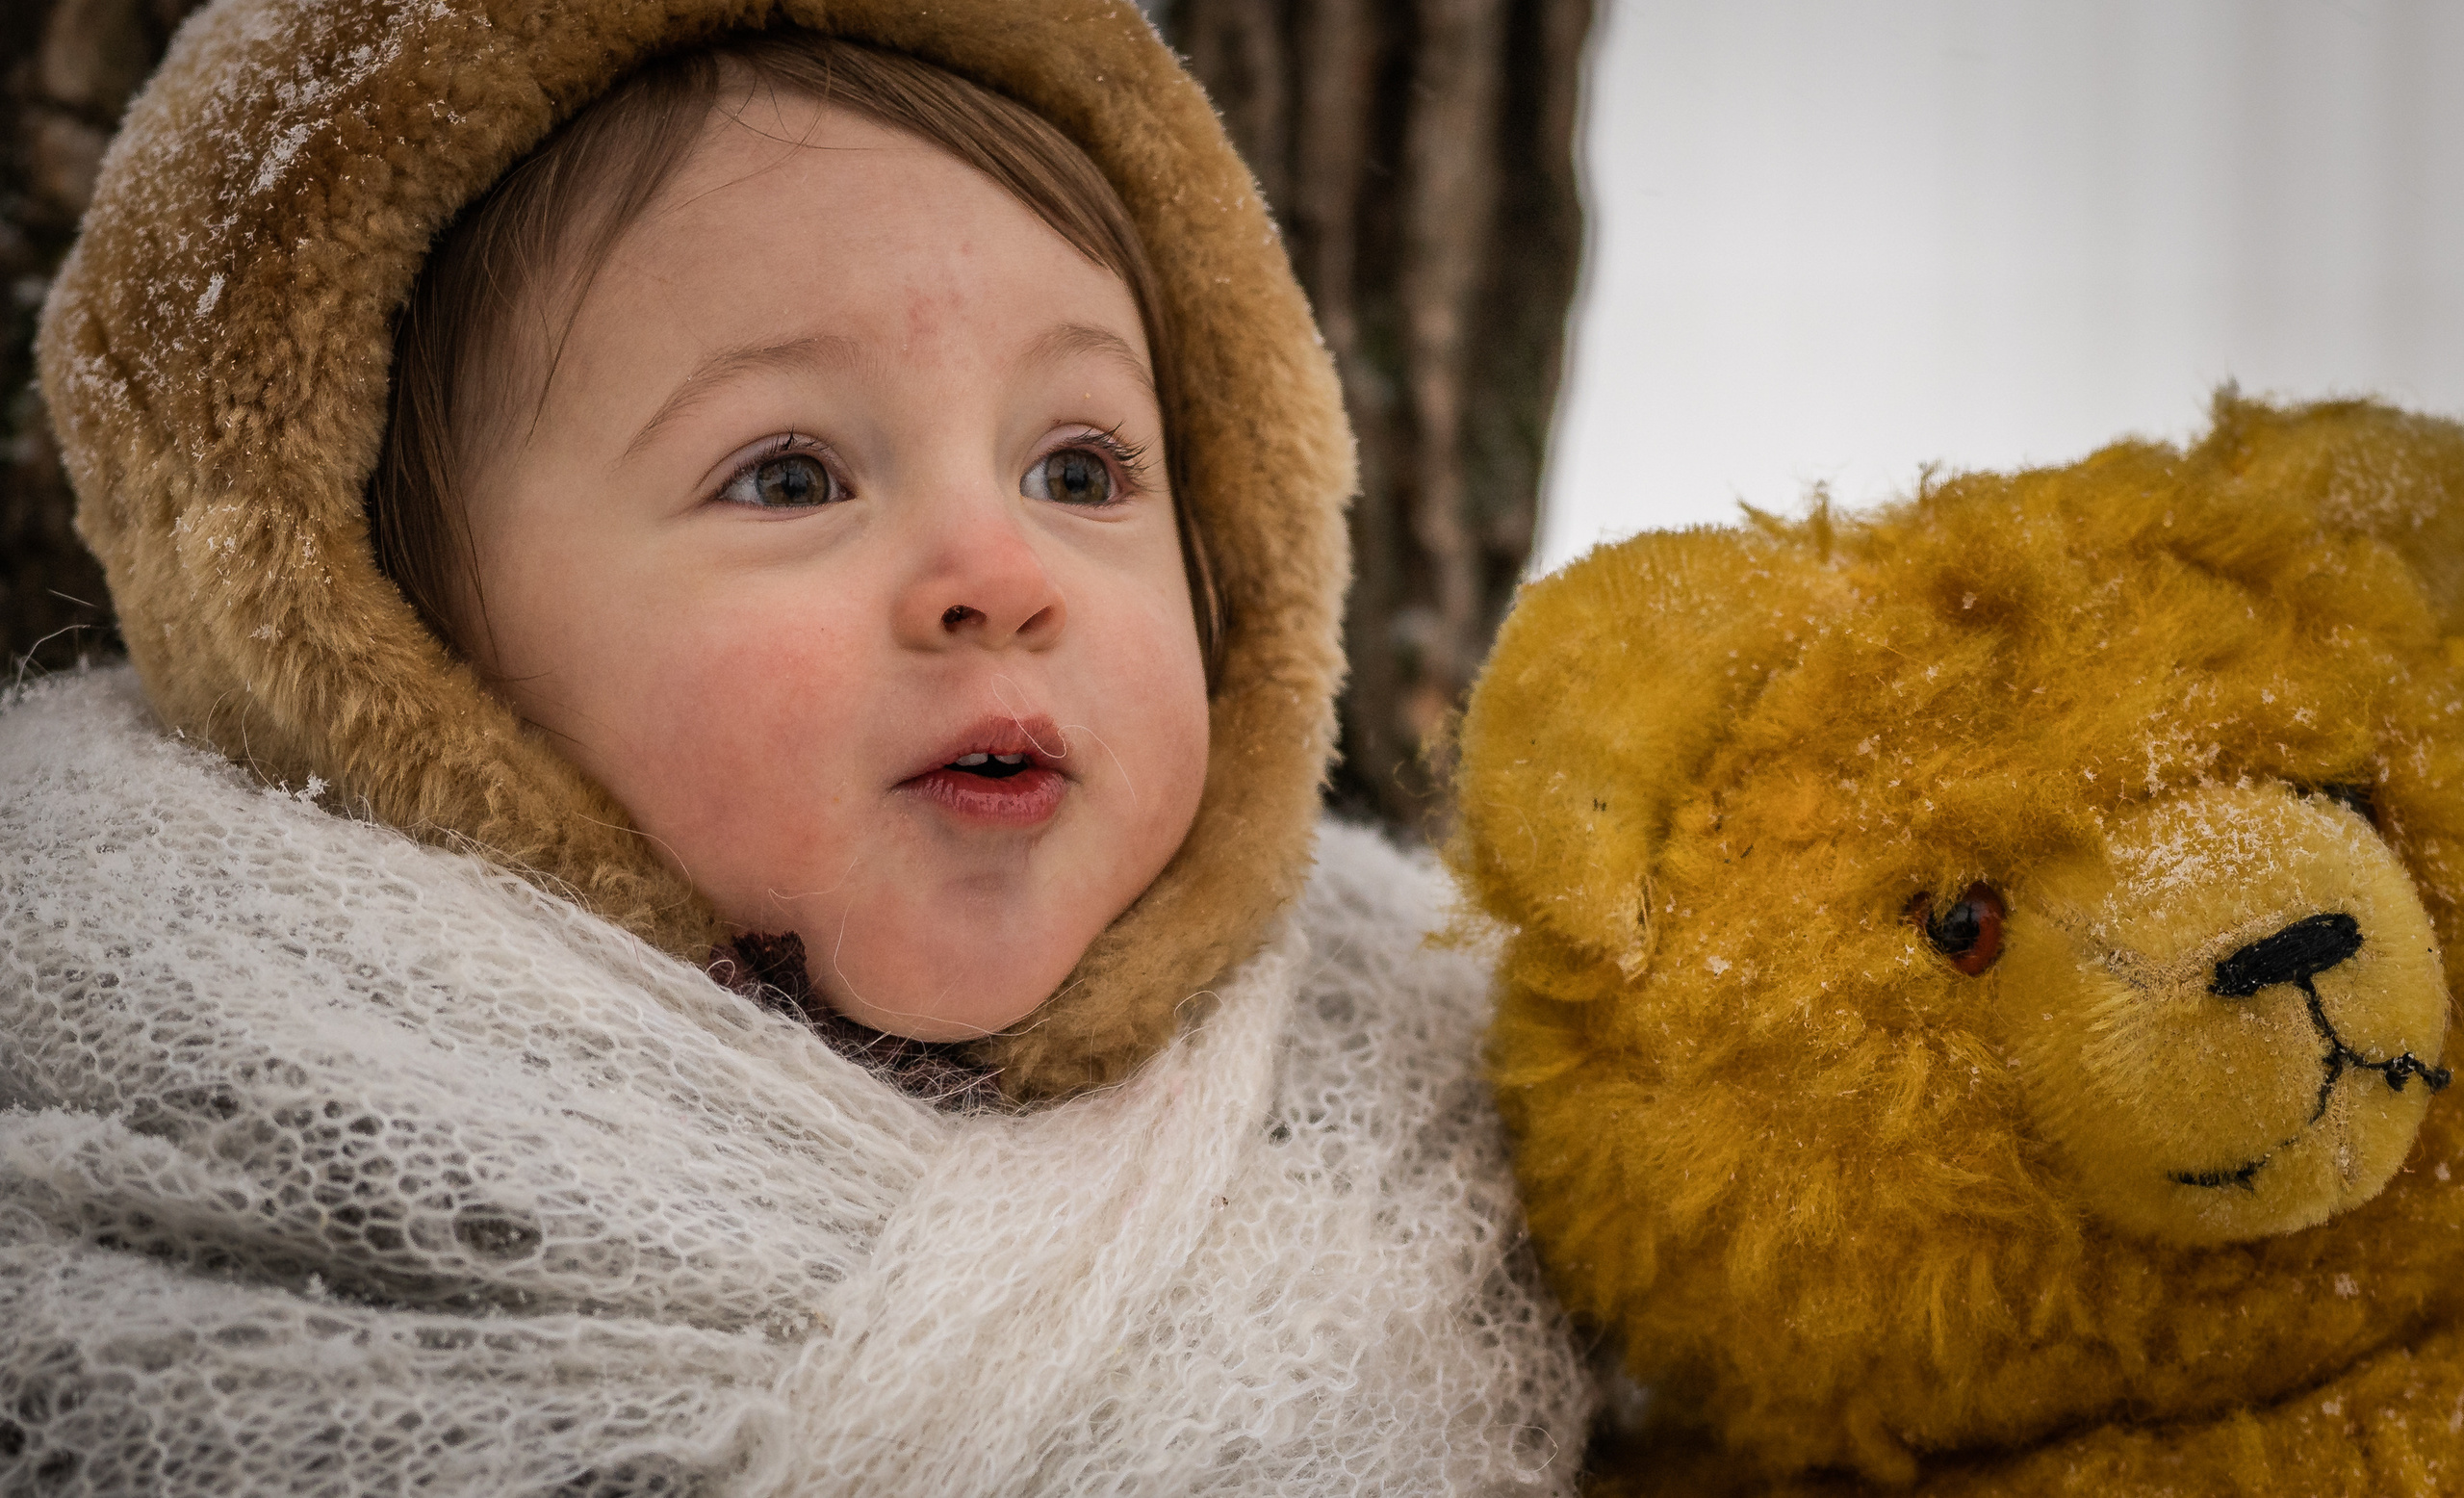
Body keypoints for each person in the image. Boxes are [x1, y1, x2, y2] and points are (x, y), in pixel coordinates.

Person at [0, 1, 1594, 1493]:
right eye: (788, 478)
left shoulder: (1444, 1106)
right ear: (392, 647)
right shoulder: (193, 1123)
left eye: (1083, 468)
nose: (1001, 577)